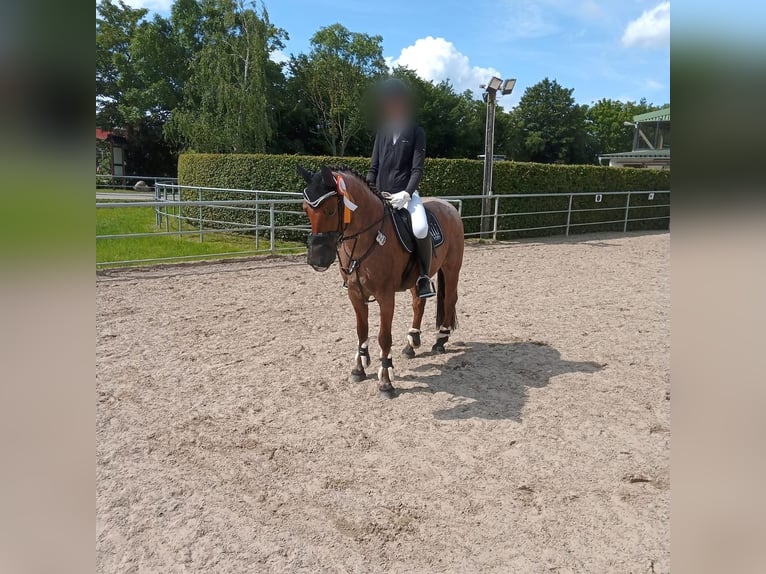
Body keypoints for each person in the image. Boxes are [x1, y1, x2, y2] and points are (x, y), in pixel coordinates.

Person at [366, 78, 435, 299]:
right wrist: (370, 192)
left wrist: (406, 193)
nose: (392, 105)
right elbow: (373, 167)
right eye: (388, 101)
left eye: (395, 101)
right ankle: (356, 274)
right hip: (380, 196)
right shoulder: (382, 131)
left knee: (421, 228)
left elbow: (417, 169)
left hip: (406, 194)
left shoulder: (416, 132)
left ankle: (423, 277)